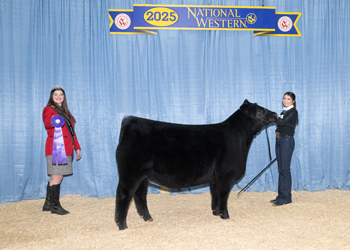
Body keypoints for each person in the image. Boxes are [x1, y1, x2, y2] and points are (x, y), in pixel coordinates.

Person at [42, 86, 81, 215]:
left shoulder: (66, 113)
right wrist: (54, 120)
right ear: (51, 97)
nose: (58, 97)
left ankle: (48, 204)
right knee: (57, 176)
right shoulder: (49, 110)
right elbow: (47, 122)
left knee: (56, 175)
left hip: (67, 149)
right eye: (55, 95)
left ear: (64, 97)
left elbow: (72, 133)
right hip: (55, 148)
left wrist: (77, 148)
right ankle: (55, 206)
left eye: (61, 95)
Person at [271, 92, 298, 206]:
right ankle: (281, 196)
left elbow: (281, 122)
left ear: (293, 101)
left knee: (285, 170)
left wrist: (272, 116)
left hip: (286, 141)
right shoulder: (285, 111)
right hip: (279, 140)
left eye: (288, 99)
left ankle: (285, 198)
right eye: (284, 98)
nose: (286, 101)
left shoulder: (293, 112)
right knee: (281, 169)